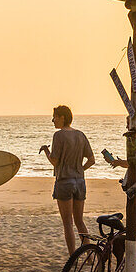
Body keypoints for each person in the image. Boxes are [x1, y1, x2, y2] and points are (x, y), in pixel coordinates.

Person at [39, 105, 94, 256]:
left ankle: (72, 256)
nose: (53, 120)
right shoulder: (80, 135)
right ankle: (89, 254)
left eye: (55, 117)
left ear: (62, 117)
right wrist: (80, 169)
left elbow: (55, 161)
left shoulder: (59, 135)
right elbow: (91, 160)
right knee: (79, 221)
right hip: (79, 181)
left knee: (68, 223)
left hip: (64, 181)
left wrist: (46, 150)